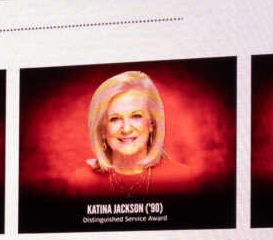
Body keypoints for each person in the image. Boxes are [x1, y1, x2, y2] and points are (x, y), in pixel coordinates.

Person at [67, 72, 192, 200]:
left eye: (136, 116)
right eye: (114, 119)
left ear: (152, 124)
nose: (126, 129)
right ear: (102, 130)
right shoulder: (80, 183)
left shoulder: (182, 179)